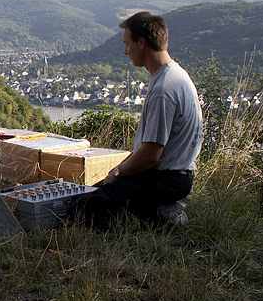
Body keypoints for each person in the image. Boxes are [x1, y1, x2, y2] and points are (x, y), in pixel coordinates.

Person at [74, 11, 203, 228]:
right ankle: (160, 208)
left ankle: (162, 215)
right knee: (94, 193)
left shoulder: (164, 89)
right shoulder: (174, 75)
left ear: (141, 43)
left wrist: (118, 172)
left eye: (127, 44)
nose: (125, 52)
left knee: (79, 211)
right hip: (176, 176)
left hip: (164, 180)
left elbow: (151, 154)